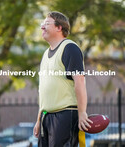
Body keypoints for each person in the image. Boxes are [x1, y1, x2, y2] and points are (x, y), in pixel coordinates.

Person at [33, 11, 93, 147]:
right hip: (46, 117)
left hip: (65, 115)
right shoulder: (45, 55)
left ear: (59, 27)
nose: (42, 27)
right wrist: (39, 120)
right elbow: (42, 91)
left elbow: (80, 82)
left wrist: (82, 113)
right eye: (43, 24)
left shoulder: (70, 48)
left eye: (46, 24)